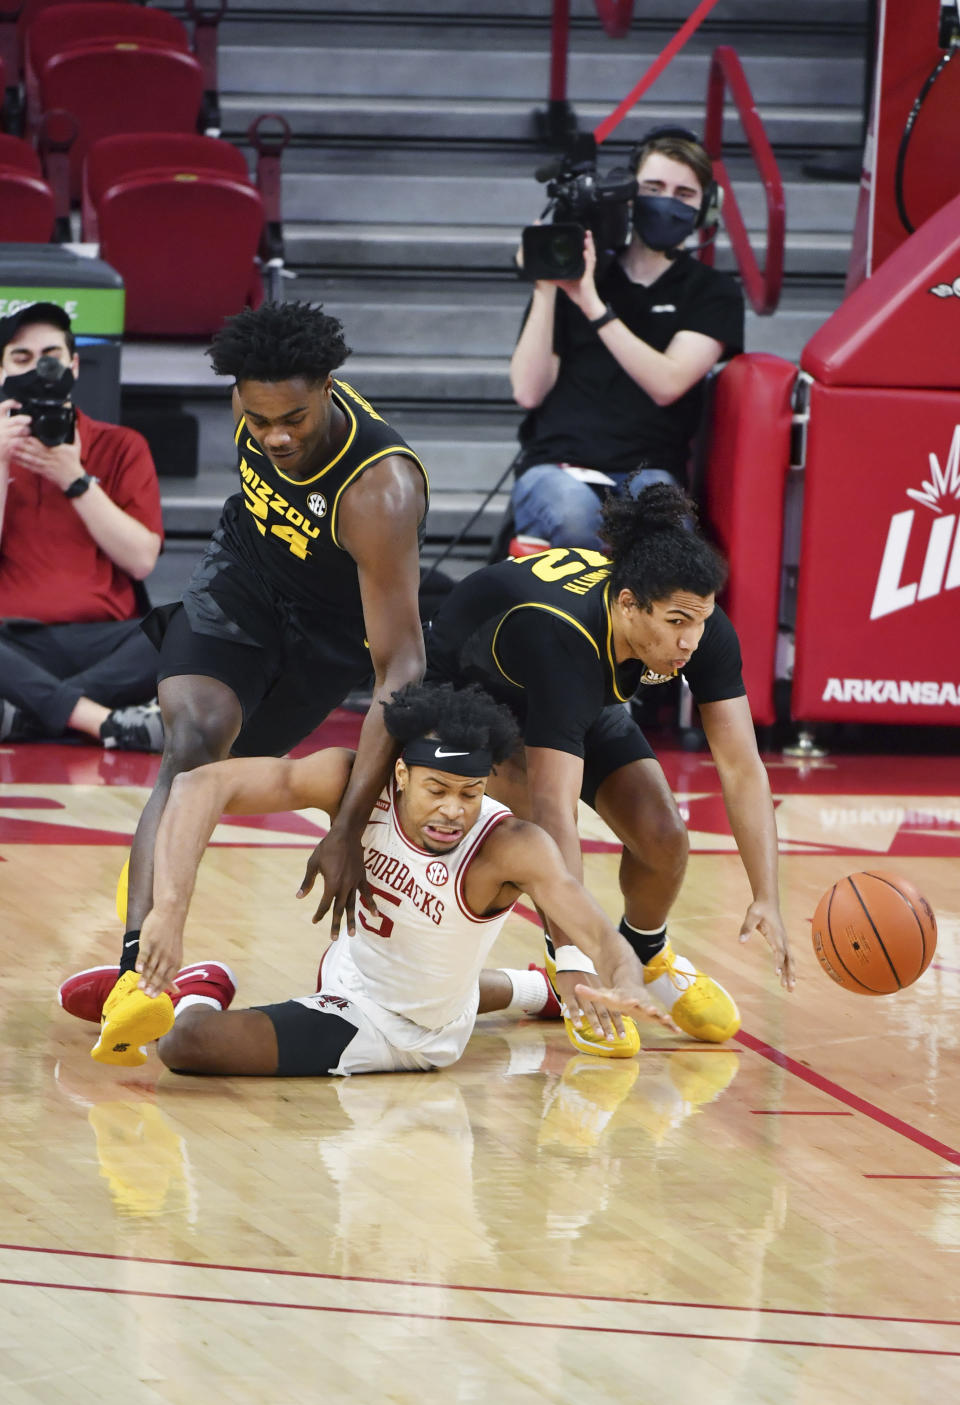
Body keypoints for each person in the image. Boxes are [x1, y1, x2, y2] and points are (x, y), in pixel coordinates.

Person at [58, 683, 674, 1073]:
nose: (453, 810)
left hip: (405, 1023)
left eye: (470, 792)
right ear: (402, 775)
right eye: (437, 789)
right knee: (438, 978)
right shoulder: (354, 783)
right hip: (354, 974)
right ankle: (534, 991)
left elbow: (594, 927)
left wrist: (626, 979)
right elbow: (198, 785)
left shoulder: (512, 845)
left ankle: (194, 988)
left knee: (184, 1044)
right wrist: (168, 911)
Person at [112, 300, 430, 1008]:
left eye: (294, 419)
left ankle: (157, 865)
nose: (276, 437)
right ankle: (137, 970)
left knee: (222, 775)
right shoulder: (248, 396)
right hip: (246, 580)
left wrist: (345, 825)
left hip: (330, 632)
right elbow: (263, 425)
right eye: (259, 422)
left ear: (326, 387)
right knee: (192, 744)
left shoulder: (379, 490)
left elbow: (402, 669)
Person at [425, 483, 798, 1043]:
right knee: (534, 831)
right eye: (676, 623)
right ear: (628, 604)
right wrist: (577, 957)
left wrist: (766, 894)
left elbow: (743, 767)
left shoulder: (696, 619)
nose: (690, 641)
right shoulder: (565, 635)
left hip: (577, 696)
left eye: (699, 622)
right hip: (474, 700)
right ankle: (565, 972)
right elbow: (555, 812)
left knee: (665, 834)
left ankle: (647, 950)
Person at [510, 128, 744, 549]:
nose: (667, 202)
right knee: (579, 518)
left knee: (665, 532)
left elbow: (668, 384)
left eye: (684, 193)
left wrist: (593, 307)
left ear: (705, 208)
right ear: (630, 196)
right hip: (555, 467)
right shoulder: (579, 271)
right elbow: (528, 392)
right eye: (653, 188)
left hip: (650, 470)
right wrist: (545, 288)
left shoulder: (712, 292)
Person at [0, 302, 165, 751]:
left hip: (105, 640)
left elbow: (141, 560)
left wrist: (74, 480)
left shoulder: (121, 446)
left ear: (73, 365)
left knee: (191, 623)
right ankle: (106, 722)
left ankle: (32, 713)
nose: (39, 368)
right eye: (21, 357)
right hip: (11, 642)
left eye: (51, 355)